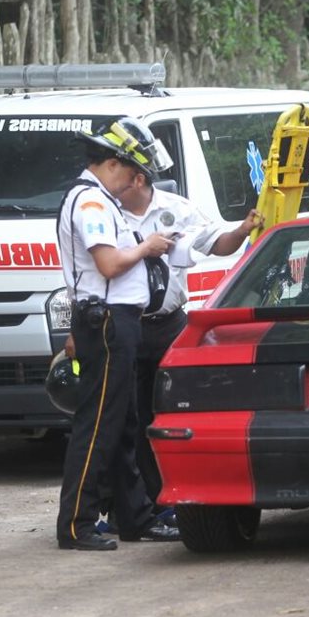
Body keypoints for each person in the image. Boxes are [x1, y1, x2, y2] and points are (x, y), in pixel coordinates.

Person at [54, 117, 181, 551]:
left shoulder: (102, 201)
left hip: (119, 322)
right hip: (106, 321)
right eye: (132, 172)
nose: (134, 182)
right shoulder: (91, 203)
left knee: (124, 422)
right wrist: (146, 248)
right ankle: (77, 524)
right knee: (99, 426)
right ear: (112, 164)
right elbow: (108, 265)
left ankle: (135, 517)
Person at [117, 173, 263, 505]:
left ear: (138, 180)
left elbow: (217, 243)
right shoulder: (108, 211)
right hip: (126, 324)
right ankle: (129, 503)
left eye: (119, 180)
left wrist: (241, 230)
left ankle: (167, 498)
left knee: (170, 414)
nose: (112, 186)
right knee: (127, 417)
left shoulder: (177, 208)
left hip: (168, 325)